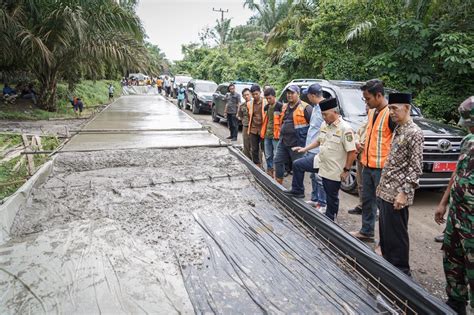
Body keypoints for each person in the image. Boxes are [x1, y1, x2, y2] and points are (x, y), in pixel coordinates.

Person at [375, 93, 423, 276]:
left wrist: (404, 192)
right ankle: (389, 272)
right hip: (385, 192)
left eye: (395, 108)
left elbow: (415, 167)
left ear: (407, 108)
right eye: (390, 108)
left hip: (397, 195)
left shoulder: (414, 133)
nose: (391, 112)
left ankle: (402, 276)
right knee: (386, 237)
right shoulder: (399, 129)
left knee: (397, 239)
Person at [287, 98, 356, 221]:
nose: (323, 117)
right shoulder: (325, 124)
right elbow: (319, 140)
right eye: (322, 114)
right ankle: (298, 191)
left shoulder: (345, 129)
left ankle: (331, 220)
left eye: (325, 114)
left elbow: (352, 151)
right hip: (320, 161)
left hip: (333, 169)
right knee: (298, 164)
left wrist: (346, 170)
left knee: (331, 196)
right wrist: (305, 149)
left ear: (335, 112)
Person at [434, 96, 473, 314]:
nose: (469, 127)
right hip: (457, 216)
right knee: (452, 260)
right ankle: (456, 303)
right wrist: (443, 202)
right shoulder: (468, 140)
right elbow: (457, 173)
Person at [350, 79, 396, 242]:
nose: (366, 102)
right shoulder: (372, 111)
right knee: (367, 201)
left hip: (382, 169)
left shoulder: (391, 114)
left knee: (384, 207)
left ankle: (385, 243)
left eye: (368, 98)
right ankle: (367, 231)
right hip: (367, 164)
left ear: (379, 95)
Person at [273, 85, 312, 185]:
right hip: (284, 141)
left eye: (292, 93)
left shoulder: (306, 108)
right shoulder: (285, 107)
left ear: (298, 94)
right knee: (277, 161)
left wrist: (308, 145)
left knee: (297, 167)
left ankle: (297, 189)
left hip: (297, 143)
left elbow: (313, 127)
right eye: (288, 93)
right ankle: (278, 183)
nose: (289, 95)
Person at [302, 84, 327, 211]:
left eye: (308, 95)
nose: (307, 97)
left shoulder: (325, 108)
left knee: (319, 177)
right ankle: (315, 198)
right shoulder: (315, 107)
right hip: (310, 147)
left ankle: (322, 204)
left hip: (318, 149)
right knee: (313, 175)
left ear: (312, 95)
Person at [348, 104, 370, 215]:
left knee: (369, 186)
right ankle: (361, 205)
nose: (366, 108)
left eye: (368, 106)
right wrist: (357, 142)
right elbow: (357, 134)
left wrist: (363, 144)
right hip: (360, 156)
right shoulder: (365, 120)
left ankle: (371, 210)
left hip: (370, 158)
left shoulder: (377, 120)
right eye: (365, 105)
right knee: (360, 183)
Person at [261, 87, 283, 177]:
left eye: (270, 98)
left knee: (277, 155)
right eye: (267, 98)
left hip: (276, 135)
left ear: (274, 96)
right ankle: (270, 171)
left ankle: (279, 173)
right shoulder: (266, 107)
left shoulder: (280, 106)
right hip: (267, 134)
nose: (268, 100)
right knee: (268, 155)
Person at [247, 84, 266, 166]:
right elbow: (249, 116)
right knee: (254, 149)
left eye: (256, 94)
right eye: (253, 94)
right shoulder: (249, 104)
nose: (255, 96)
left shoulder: (265, 102)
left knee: (265, 149)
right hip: (253, 130)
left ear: (260, 93)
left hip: (263, 129)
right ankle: (257, 165)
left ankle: (268, 166)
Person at [237, 88, 252, 159]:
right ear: (243, 96)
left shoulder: (255, 104)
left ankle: (258, 164)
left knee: (256, 147)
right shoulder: (242, 105)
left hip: (254, 127)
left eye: (248, 94)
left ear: (251, 95)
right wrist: (243, 120)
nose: (246, 96)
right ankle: (248, 161)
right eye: (244, 95)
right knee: (246, 145)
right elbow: (239, 115)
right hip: (245, 127)